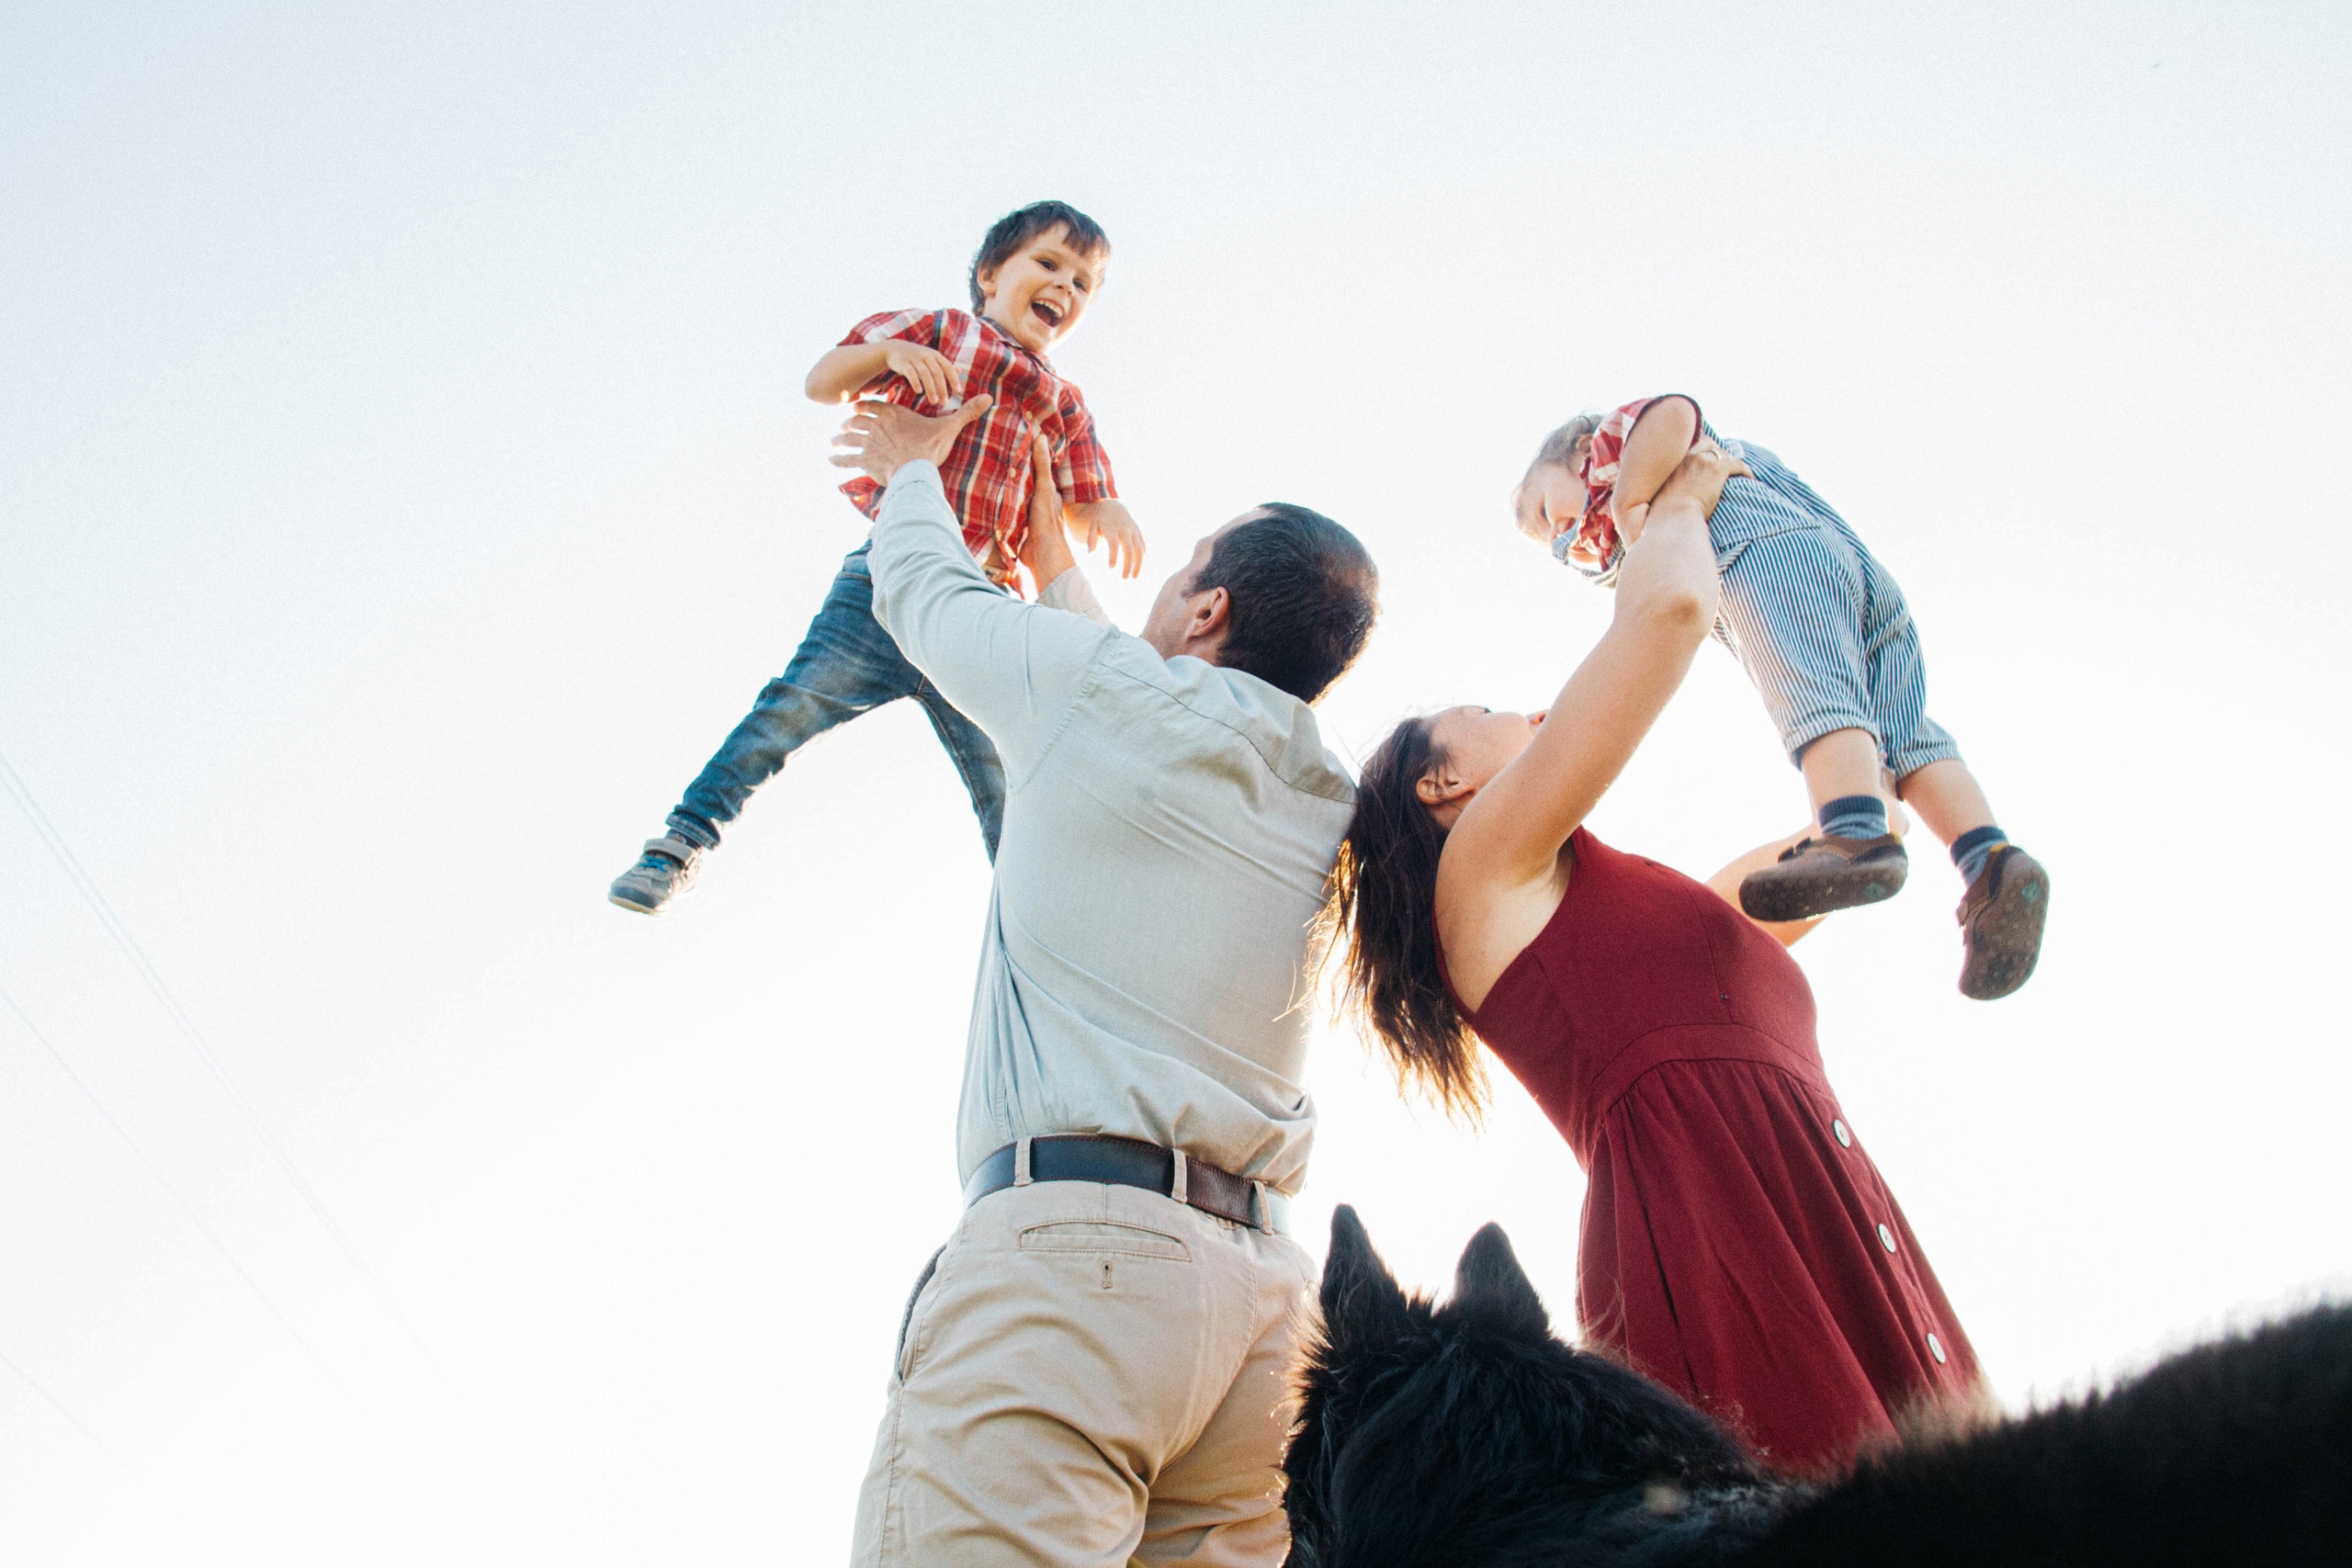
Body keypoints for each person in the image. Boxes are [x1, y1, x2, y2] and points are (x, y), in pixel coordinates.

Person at [1331, 441, 1984, 1476]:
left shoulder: (1680, 907)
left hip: (1829, 1205)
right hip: (1707, 1227)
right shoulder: (1485, 876)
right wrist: (1676, 498)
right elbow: (1667, 617)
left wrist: (1817, 636)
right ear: (1437, 786)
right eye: (1492, 714)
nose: (1534, 713)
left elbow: (1868, 843)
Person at [828, 393, 1379, 1566]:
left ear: (1207, 606)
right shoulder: (1328, 796)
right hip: (1264, 1328)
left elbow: (925, 594)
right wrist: (1056, 563)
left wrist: (910, 473)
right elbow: (1135, 689)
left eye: (1182, 571)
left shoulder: (1102, 696)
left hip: (1076, 1277)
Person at [607, 200, 1146, 914]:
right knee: (791, 705)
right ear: (990, 275)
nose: (1065, 288)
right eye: (1048, 264)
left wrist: (1105, 506)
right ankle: (682, 840)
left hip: (980, 606)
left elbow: (1075, 494)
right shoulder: (942, 332)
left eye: (1084, 283)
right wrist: (887, 356)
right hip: (886, 585)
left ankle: (1044, 925)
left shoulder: (1065, 403)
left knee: (1012, 783)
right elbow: (822, 380)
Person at [1516, 396, 2047, 999]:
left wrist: (1634, 501)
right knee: (1903, 738)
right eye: (1551, 546)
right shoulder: (1625, 530)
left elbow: (1670, 412)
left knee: (1816, 696)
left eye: (1544, 511)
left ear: (1582, 450)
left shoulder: (1623, 458)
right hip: (1863, 581)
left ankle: (1852, 833)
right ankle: (1991, 862)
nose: (1560, 539)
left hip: (1772, 556)